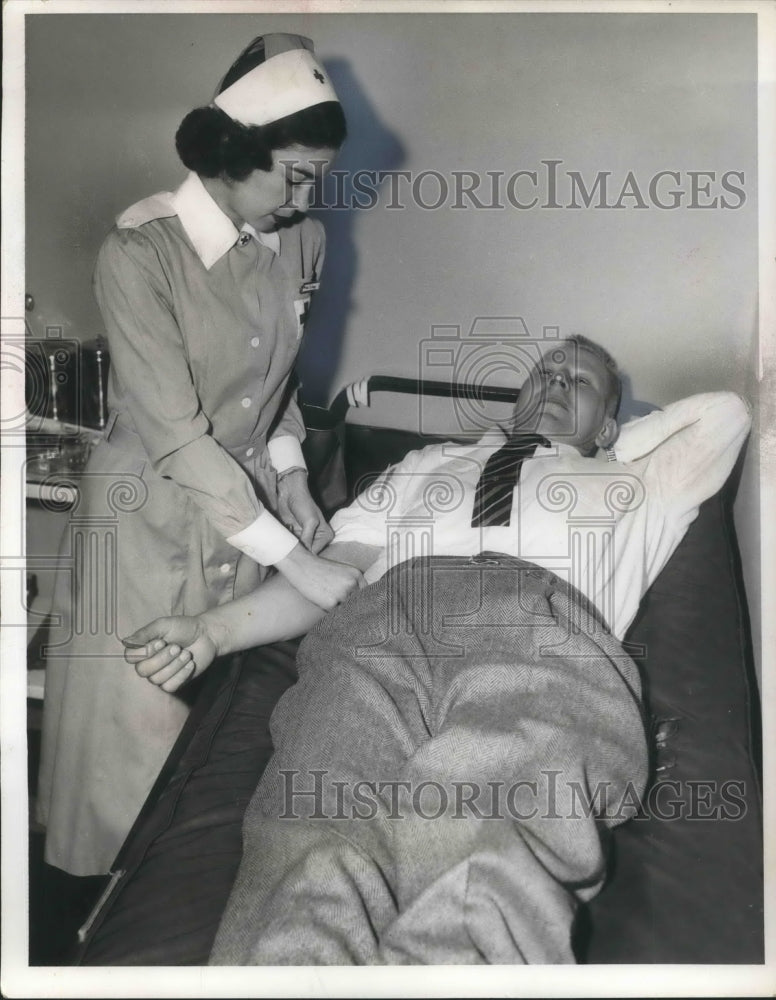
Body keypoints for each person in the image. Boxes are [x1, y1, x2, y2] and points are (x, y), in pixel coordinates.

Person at [126, 336, 752, 963]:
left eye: (581, 381)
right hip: (381, 631)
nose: (558, 381)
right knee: (309, 829)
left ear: (610, 423)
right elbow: (326, 580)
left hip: (538, 635)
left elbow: (727, 415)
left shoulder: (641, 482)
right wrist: (215, 630)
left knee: (484, 823)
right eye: (547, 370)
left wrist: (616, 446)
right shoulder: (428, 462)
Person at [37, 33, 364, 877]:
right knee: (122, 763)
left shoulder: (303, 242)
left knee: (209, 758)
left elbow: (276, 385)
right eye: (295, 175)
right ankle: (91, 920)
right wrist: (297, 562)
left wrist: (291, 476)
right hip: (142, 525)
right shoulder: (139, 253)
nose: (308, 199)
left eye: (319, 178)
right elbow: (178, 436)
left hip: (244, 521)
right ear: (233, 152)